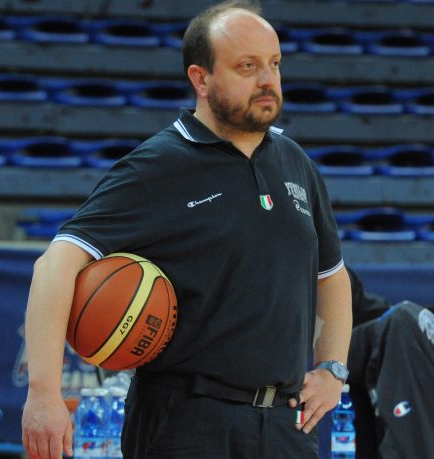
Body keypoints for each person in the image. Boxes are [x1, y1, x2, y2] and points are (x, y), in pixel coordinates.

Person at [21, 1, 353, 458]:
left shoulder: (295, 162)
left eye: (274, 64)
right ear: (201, 79)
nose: (267, 80)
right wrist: (43, 393)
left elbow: (331, 275)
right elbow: (55, 264)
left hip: (285, 425)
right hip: (186, 423)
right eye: (247, 66)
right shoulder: (156, 167)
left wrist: (332, 368)